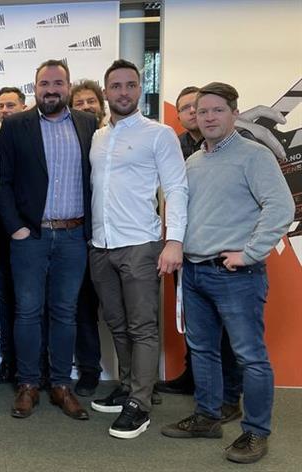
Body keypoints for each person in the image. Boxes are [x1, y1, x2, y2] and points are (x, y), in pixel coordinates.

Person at [161, 82, 294, 464]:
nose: (208, 117)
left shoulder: (254, 155)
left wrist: (250, 253)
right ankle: (208, 416)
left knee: (250, 357)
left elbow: (281, 207)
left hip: (235, 275)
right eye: (202, 111)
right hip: (195, 272)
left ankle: (255, 432)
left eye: (217, 110)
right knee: (203, 351)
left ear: (234, 113)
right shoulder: (193, 162)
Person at [88, 59, 188, 439]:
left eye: (131, 85)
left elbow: (176, 188)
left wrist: (174, 240)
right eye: (116, 86)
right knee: (116, 324)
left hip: (141, 245)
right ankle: (129, 386)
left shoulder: (159, 134)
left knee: (142, 326)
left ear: (140, 88)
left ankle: (140, 404)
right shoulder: (98, 136)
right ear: (106, 92)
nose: (124, 92)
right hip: (101, 246)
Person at [0, 60, 96, 421]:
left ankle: (61, 385)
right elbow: (2, 182)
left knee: (66, 312)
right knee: (27, 312)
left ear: (68, 86)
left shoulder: (88, 124)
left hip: (74, 235)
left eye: (58, 83)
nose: (51, 89)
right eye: (44, 83)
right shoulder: (15, 125)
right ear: (34, 87)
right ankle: (28, 384)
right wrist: (15, 228)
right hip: (31, 236)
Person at [156, 86, 243, 421]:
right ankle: (194, 379)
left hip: (224, 253)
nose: (194, 113)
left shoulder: (234, 146)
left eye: (199, 106)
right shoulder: (178, 147)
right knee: (196, 325)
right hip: (186, 248)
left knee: (229, 332)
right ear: (179, 116)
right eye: (186, 108)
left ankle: (230, 396)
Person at [67, 79, 107, 396]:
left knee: (127, 315)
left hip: (119, 239)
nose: (85, 107)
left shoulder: (114, 137)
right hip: (81, 239)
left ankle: (139, 380)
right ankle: (90, 370)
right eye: (78, 103)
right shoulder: (70, 141)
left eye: (90, 101)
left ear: (101, 105)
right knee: (83, 310)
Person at [0, 86, 26, 385]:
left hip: (28, 234)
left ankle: (32, 365)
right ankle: (9, 362)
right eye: (1, 106)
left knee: (30, 303)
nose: (5, 110)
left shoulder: (33, 138)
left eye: (11, 104)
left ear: (24, 106)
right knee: (4, 299)